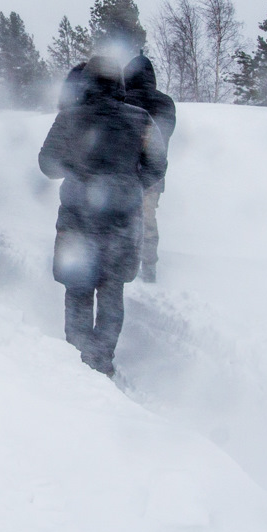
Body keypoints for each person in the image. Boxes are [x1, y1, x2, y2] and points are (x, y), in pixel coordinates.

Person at [38, 55, 168, 376]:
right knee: (112, 291)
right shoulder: (141, 120)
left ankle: (81, 360)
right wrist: (132, 184)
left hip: (78, 221)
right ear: (120, 84)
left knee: (78, 289)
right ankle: (102, 358)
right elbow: (158, 165)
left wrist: (76, 171)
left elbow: (46, 163)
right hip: (123, 222)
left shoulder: (69, 118)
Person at [122, 52, 176, 283]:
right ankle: (149, 268)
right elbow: (166, 134)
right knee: (147, 219)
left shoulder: (123, 100)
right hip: (154, 173)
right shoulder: (166, 102)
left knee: (122, 217)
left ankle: (125, 262)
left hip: (125, 171)